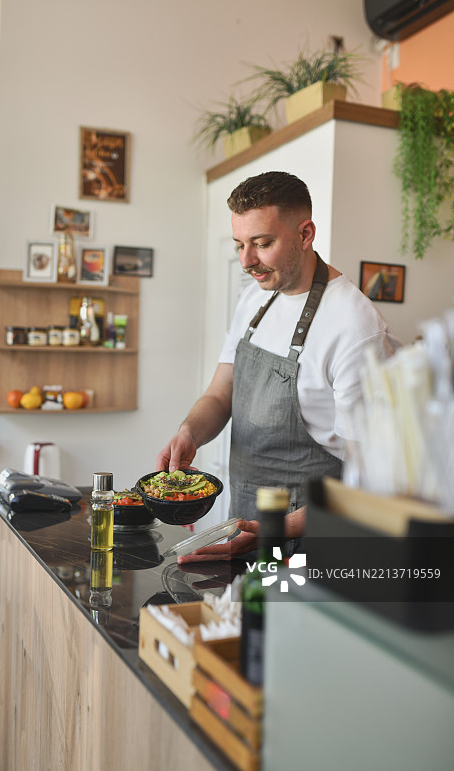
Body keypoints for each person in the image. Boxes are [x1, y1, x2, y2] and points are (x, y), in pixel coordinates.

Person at [156, 171, 401, 563]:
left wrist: (274, 531)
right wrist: (190, 432)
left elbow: (369, 480)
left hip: (313, 542)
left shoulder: (356, 329)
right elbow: (221, 393)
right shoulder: (256, 299)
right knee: (239, 623)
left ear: (305, 234)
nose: (247, 261)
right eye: (239, 245)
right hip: (247, 521)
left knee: (289, 625)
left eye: (262, 243)